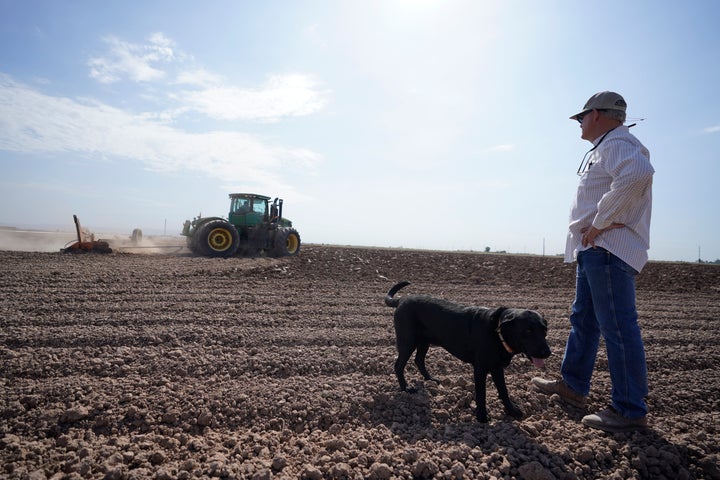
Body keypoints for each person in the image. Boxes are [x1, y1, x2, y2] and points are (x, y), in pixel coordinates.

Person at [532, 91, 654, 433]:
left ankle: (629, 410)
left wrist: (601, 221)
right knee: (583, 320)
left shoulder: (616, 142)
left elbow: (638, 174)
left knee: (617, 327)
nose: (580, 123)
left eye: (582, 117)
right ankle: (573, 387)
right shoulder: (607, 145)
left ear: (597, 115)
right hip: (595, 250)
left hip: (607, 250)